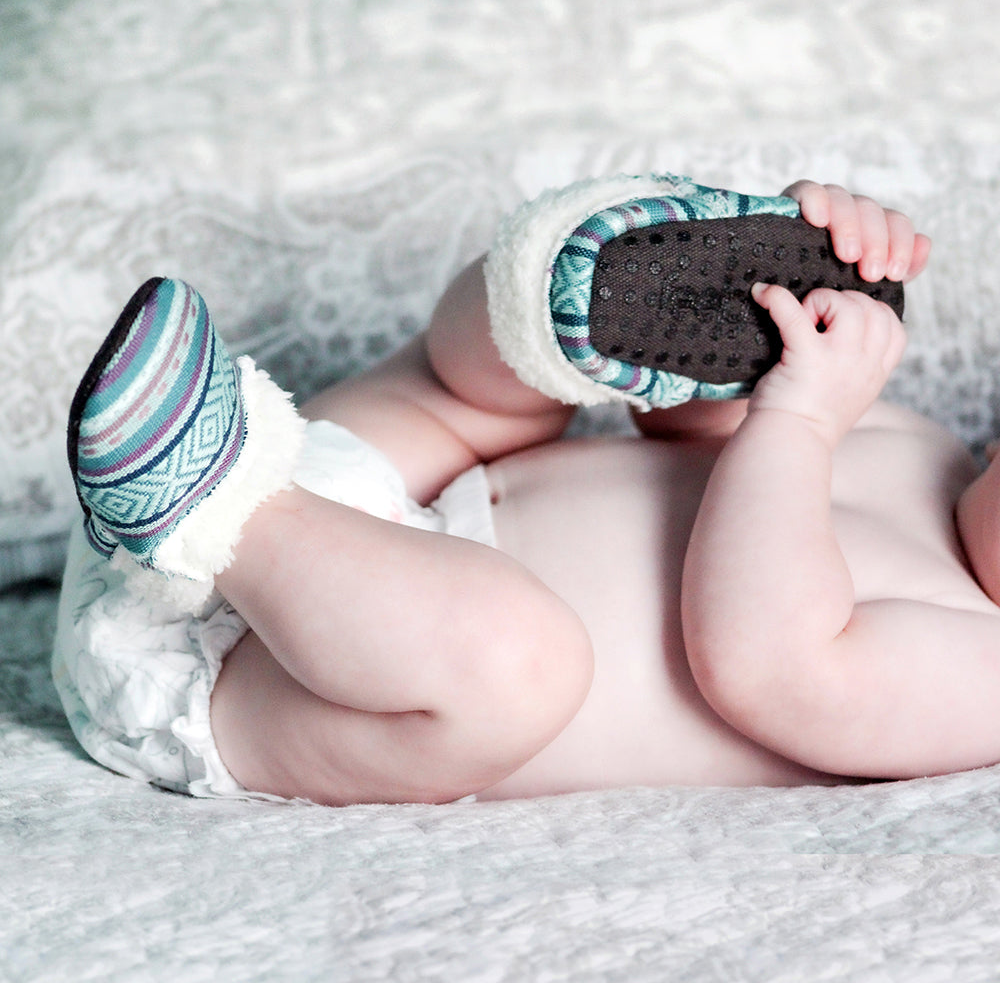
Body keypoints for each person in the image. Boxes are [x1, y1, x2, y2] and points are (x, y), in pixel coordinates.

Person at [54, 171, 1000, 809]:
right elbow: (682, 422)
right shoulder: (921, 445)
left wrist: (799, 423)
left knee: (521, 662)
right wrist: (773, 301)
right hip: (331, 491)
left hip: (289, 687)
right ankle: (542, 296)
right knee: (498, 394)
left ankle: (213, 499)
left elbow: (774, 665)